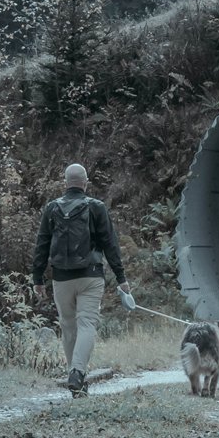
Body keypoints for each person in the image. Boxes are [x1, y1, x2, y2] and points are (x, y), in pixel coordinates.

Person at [31, 163, 131, 395]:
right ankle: (77, 372)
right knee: (86, 324)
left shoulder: (52, 208)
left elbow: (42, 244)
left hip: (61, 278)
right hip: (90, 276)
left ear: (65, 183)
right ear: (85, 183)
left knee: (68, 327)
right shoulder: (96, 207)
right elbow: (110, 244)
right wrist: (121, 278)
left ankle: (75, 379)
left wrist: (37, 278)